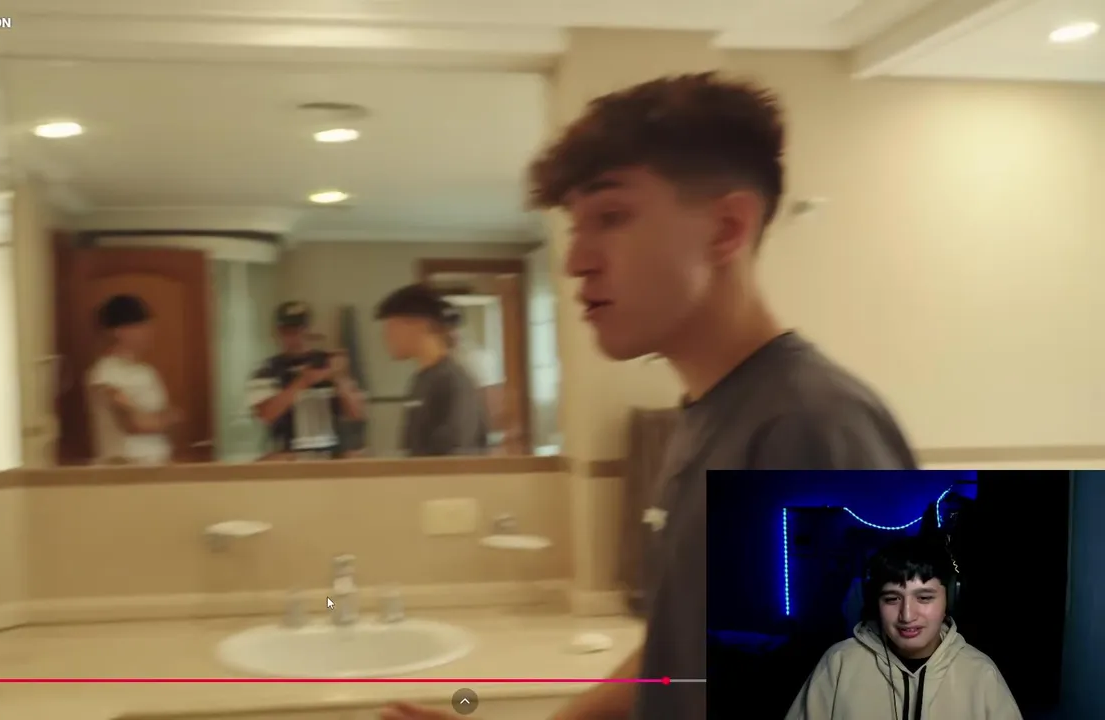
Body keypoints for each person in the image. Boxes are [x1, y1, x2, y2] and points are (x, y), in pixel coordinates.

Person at [380, 72, 917, 720]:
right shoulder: (705, 417)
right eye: (575, 226)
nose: (575, 260)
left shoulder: (811, 427)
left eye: (611, 217)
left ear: (726, 229)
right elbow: (681, 654)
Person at [786, 536, 1020, 719]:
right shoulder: (839, 663)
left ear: (950, 600)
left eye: (924, 598)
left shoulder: (981, 673)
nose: (907, 616)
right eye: (892, 599)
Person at [376, 284, 488, 457]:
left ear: (419, 325)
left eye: (392, 327)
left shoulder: (452, 381)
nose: (386, 336)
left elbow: (456, 454)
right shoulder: (421, 379)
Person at [246, 301, 365, 459]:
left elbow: (357, 413)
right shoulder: (267, 370)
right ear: (278, 333)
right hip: (287, 457)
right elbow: (266, 415)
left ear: (308, 330)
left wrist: (339, 378)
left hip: (332, 456)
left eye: (300, 330)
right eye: (288, 332)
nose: (295, 337)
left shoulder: (329, 362)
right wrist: (302, 382)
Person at [85, 294, 184, 465]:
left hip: (159, 463)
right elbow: (135, 423)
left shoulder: (147, 372)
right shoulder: (105, 374)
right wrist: (163, 419)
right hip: (124, 467)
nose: (148, 332)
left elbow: (167, 416)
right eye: (140, 325)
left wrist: (161, 419)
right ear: (118, 331)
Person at [443, 303, 510, 451]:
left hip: (474, 439)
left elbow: (492, 400)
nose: (450, 332)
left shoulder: (476, 358)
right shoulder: (437, 368)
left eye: (453, 327)